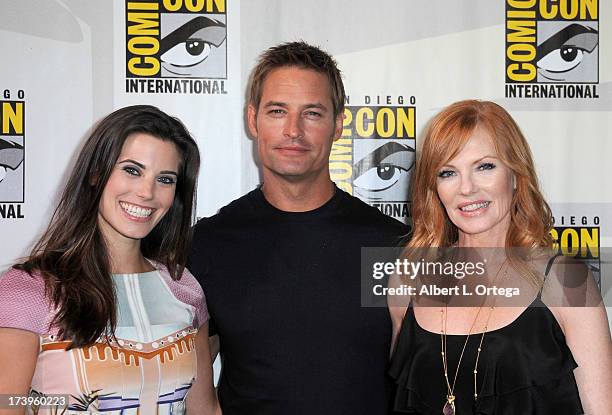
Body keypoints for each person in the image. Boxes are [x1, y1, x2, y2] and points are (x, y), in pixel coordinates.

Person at [188, 41, 409, 414]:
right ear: (252, 119)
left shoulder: (392, 243)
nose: (293, 130)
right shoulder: (208, 243)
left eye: (312, 113)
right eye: (277, 111)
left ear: (338, 125)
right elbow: (193, 387)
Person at [388, 100, 612, 414]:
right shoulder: (408, 280)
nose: (466, 188)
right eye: (448, 172)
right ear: (433, 188)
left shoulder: (566, 282)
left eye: (485, 166)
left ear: (516, 175)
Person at [0, 105, 219, 415]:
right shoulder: (28, 291)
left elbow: (205, 410)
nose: (146, 192)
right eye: (132, 170)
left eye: (166, 179)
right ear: (96, 172)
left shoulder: (185, 289)